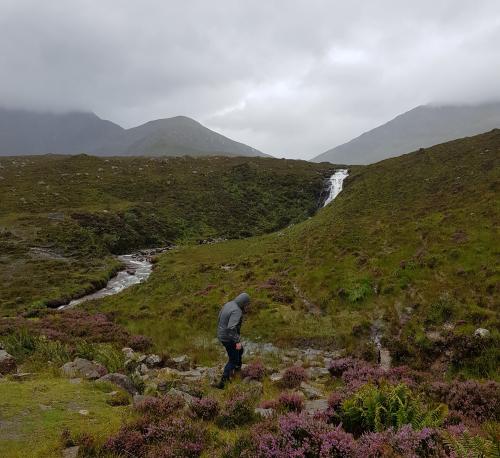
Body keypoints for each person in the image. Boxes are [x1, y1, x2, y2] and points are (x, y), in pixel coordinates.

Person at [215, 292, 250, 389]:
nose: (248, 307)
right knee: (233, 359)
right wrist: (236, 340)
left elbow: (219, 317)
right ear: (243, 303)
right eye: (247, 304)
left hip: (222, 335)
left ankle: (237, 369)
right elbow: (231, 328)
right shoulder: (237, 311)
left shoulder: (229, 304)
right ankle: (223, 382)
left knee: (240, 349)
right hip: (229, 338)